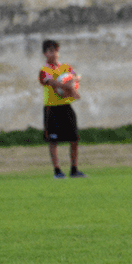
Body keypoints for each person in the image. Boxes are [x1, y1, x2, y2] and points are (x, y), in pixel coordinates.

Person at [39, 39, 85, 179]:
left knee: (74, 139)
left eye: (56, 51)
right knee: (53, 141)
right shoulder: (44, 70)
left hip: (66, 107)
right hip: (52, 109)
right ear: (45, 54)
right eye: (50, 51)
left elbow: (77, 76)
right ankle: (57, 171)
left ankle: (74, 169)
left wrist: (73, 82)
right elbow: (52, 83)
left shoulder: (65, 68)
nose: (53, 54)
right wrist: (70, 88)